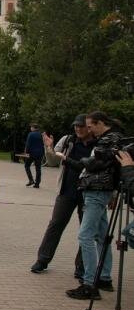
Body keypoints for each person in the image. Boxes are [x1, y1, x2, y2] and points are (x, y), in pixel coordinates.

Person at [66, 111, 122, 300]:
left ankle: (89, 283)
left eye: (91, 126)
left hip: (97, 189)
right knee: (101, 235)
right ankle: (104, 277)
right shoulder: (112, 138)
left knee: (85, 236)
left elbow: (95, 163)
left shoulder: (108, 140)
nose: (89, 130)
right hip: (100, 189)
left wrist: (80, 161)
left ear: (101, 124)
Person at [30, 114, 95, 275]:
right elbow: (52, 161)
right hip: (66, 191)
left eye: (81, 126)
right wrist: (49, 148)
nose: (78, 129)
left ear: (89, 127)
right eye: (76, 126)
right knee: (55, 225)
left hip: (88, 193)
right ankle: (42, 260)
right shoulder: (68, 140)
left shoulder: (98, 144)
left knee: (86, 231)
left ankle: (81, 267)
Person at [24, 123, 44, 188]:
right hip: (40, 153)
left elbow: (28, 144)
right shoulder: (41, 134)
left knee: (27, 166)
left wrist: (26, 152)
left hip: (32, 153)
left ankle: (31, 180)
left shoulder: (31, 134)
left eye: (31, 127)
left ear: (33, 128)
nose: (30, 128)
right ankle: (37, 183)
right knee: (38, 168)